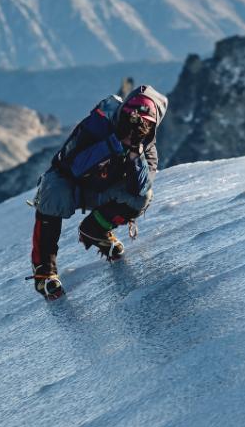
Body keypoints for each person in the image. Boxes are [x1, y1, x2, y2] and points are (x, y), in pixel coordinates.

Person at [28, 85, 168, 300]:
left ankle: (95, 230)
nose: (135, 126)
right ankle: (44, 272)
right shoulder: (98, 124)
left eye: (144, 125)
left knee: (141, 198)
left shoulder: (147, 149)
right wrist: (114, 144)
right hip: (71, 184)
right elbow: (71, 164)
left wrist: (134, 153)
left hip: (101, 190)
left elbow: (139, 188)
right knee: (53, 191)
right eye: (130, 118)